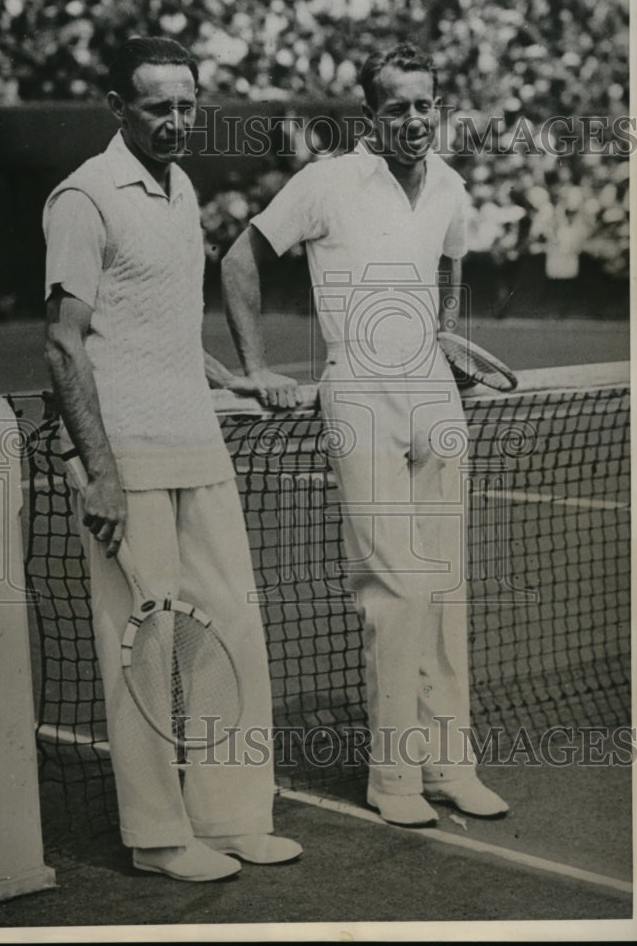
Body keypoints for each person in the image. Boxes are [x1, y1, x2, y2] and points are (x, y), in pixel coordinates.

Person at [221, 42, 509, 827]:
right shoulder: (326, 182)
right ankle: (393, 780)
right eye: (396, 109)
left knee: (445, 586)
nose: (413, 121)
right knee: (397, 591)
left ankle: (450, 766)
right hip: (358, 392)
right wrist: (252, 368)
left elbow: (450, 266)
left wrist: (445, 334)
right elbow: (238, 260)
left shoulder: (449, 184)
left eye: (424, 105)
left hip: (432, 396)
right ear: (368, 117)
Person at [43, 37, 302, 881]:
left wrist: (232, 371)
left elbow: (160, 319)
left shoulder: (182, 185)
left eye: (186, 104)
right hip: (126, 456)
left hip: (199, 441)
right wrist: (103, 473)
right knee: (143, 647)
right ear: (118, 108)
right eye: (157, 106)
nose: (175, 120)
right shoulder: (81, 197)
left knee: (231, 626)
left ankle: (230, 819)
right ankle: (157, 838)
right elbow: (62, 345)